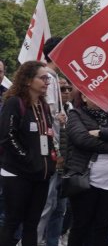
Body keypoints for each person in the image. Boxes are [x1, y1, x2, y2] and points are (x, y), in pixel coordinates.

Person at [63, 89, 108, 246]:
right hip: (85, 179)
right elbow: (81, 139)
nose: (98, 97)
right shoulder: (76, 114)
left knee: (103, 226)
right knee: (82, 225)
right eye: (92, 94)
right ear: (83, 97)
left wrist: (100, 133)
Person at [0, 61, 57, 246]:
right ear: (27, 80)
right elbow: (7, 137)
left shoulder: (43, 105)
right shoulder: (14, 103)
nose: (47, 82)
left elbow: (47, 136)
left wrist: (52, 160)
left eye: (47, 78)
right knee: (12, 222)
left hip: (40, 175)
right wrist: (28, 160)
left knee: (32, 225)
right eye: (43, 78)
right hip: (17, 174)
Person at [38, 38, 68, 246]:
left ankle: (50, 240)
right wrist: (56, 115)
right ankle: (36, 239)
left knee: (56, 204)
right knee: (47, 202)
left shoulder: (53, 75)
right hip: (49, 148)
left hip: (56, 146)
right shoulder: (47, 75)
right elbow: (46, 109)